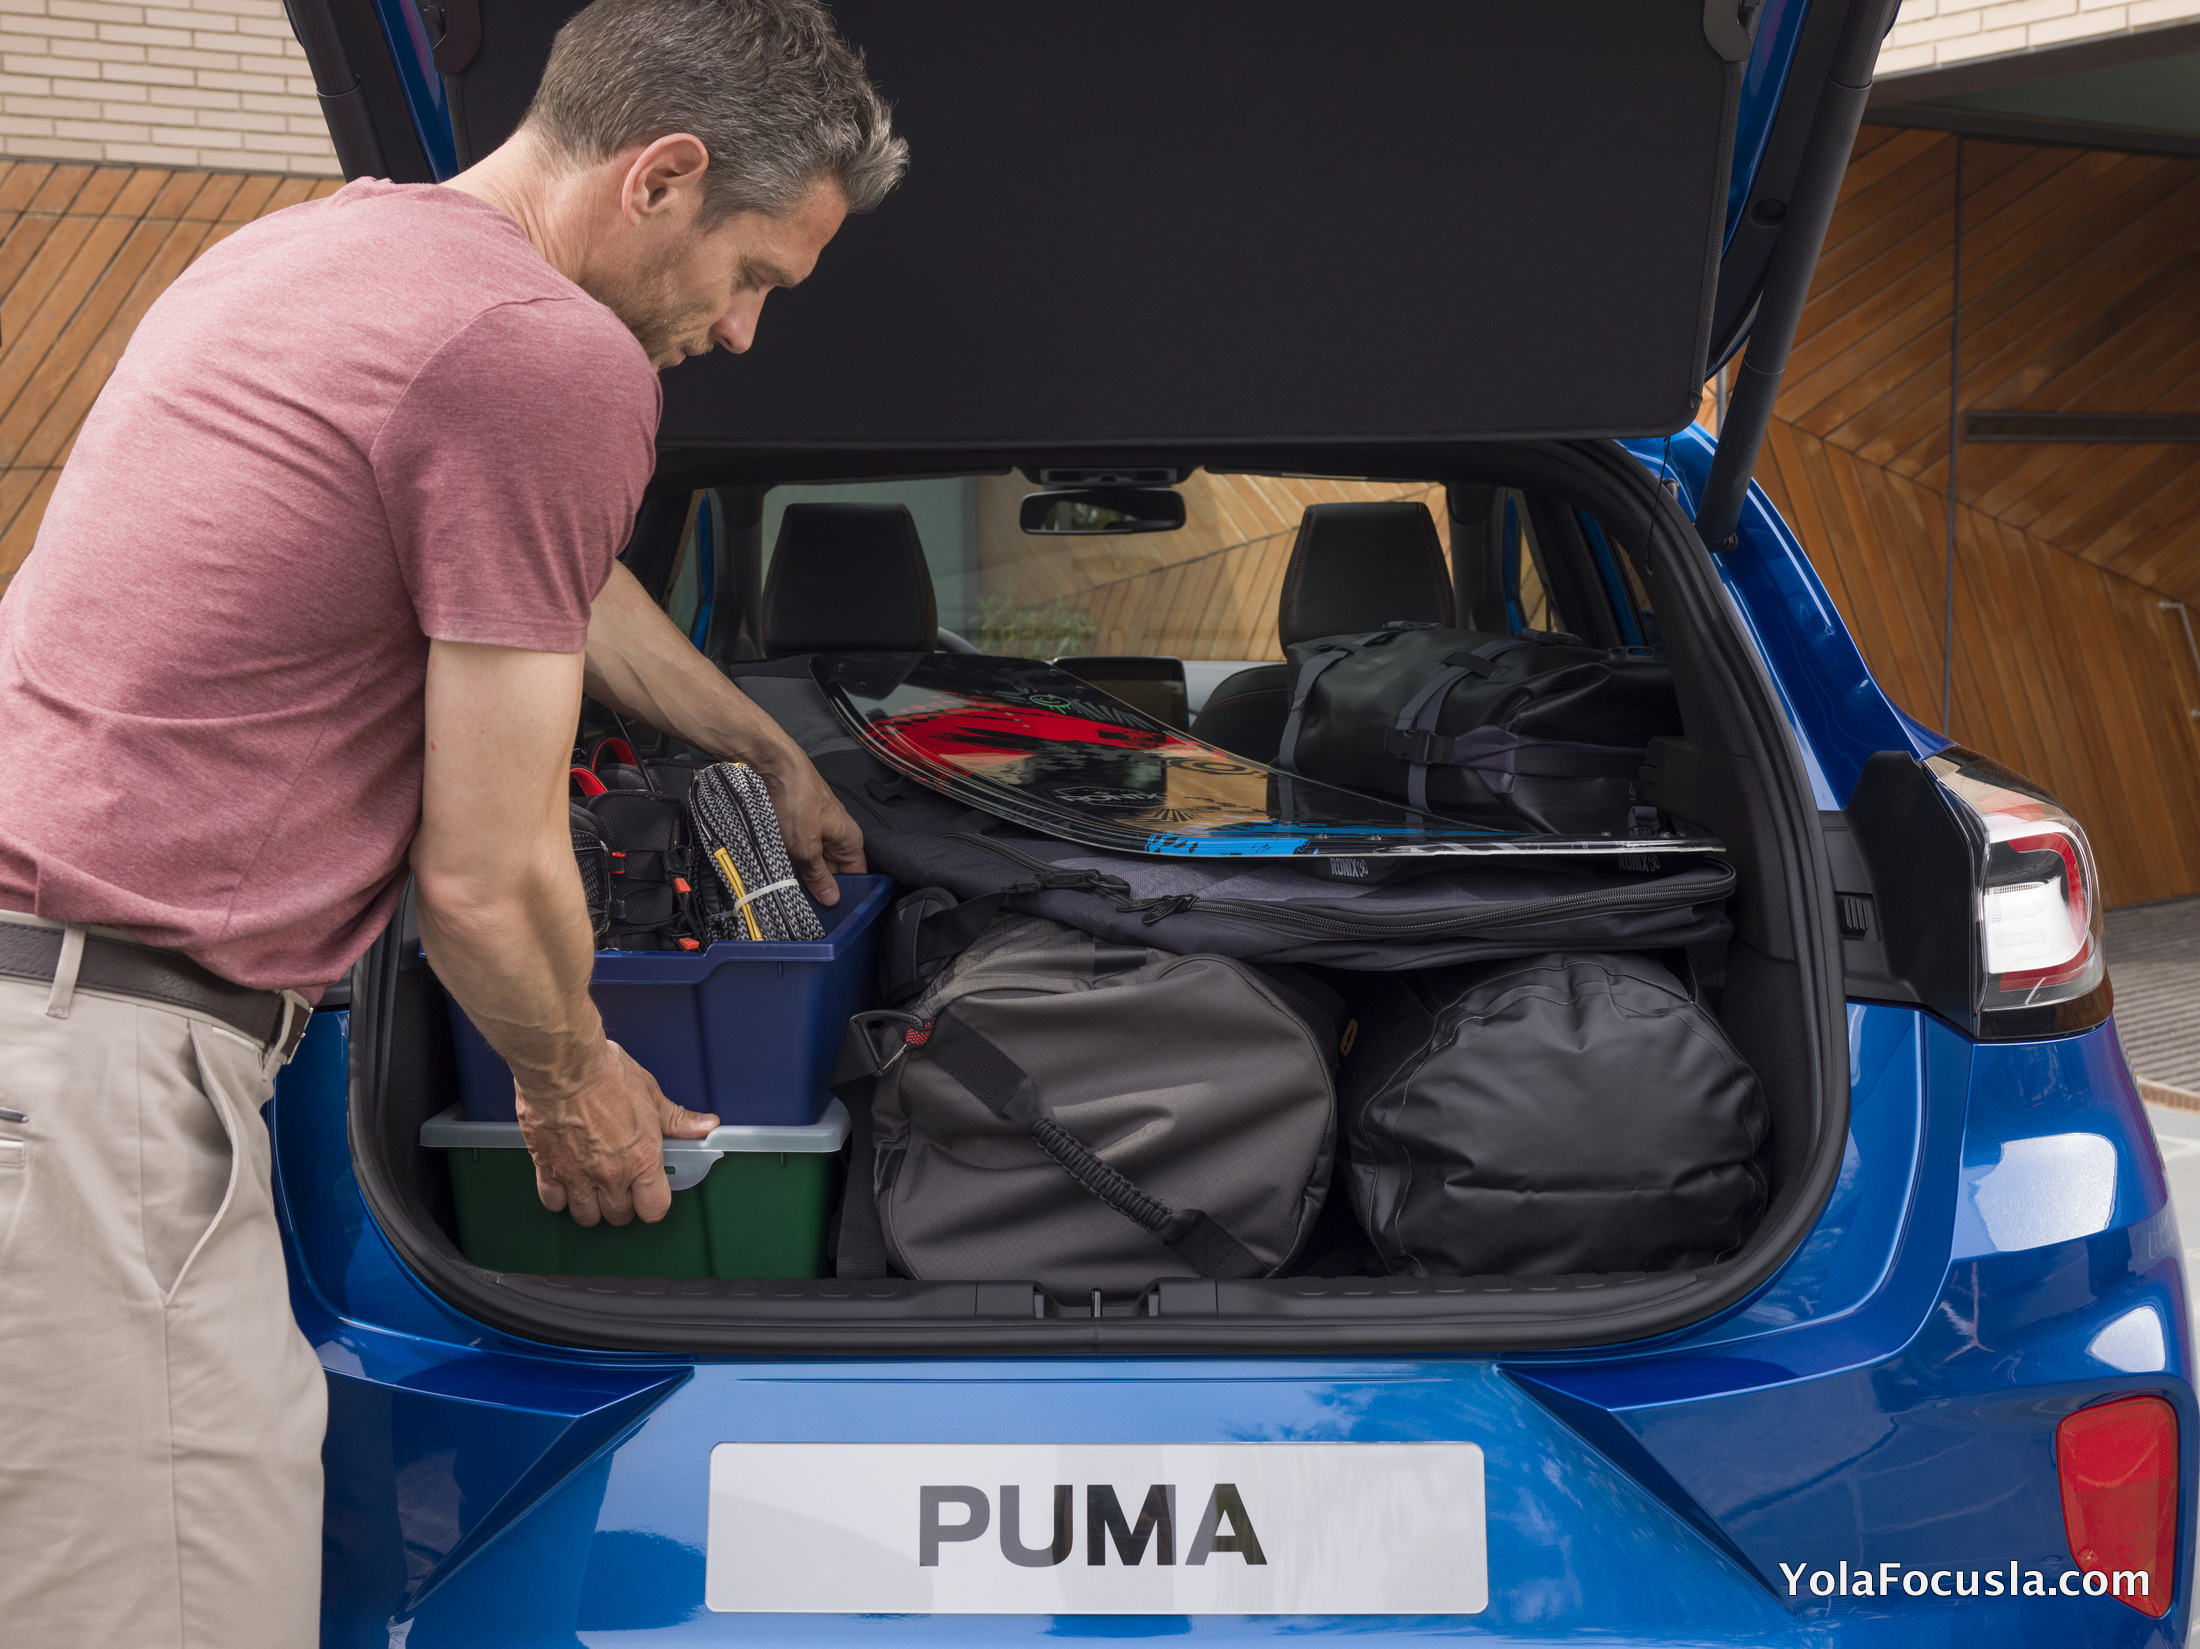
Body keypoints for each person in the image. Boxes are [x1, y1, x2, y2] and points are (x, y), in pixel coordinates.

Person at [0, 0, 906, 1641]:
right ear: (661, 176)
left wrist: (761, 747)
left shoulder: (325, 256)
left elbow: (552, 578)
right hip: (94, 1085)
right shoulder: (544, 352)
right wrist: (572, 1082)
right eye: (752, 272)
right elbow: (485, 882)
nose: (742, 329)